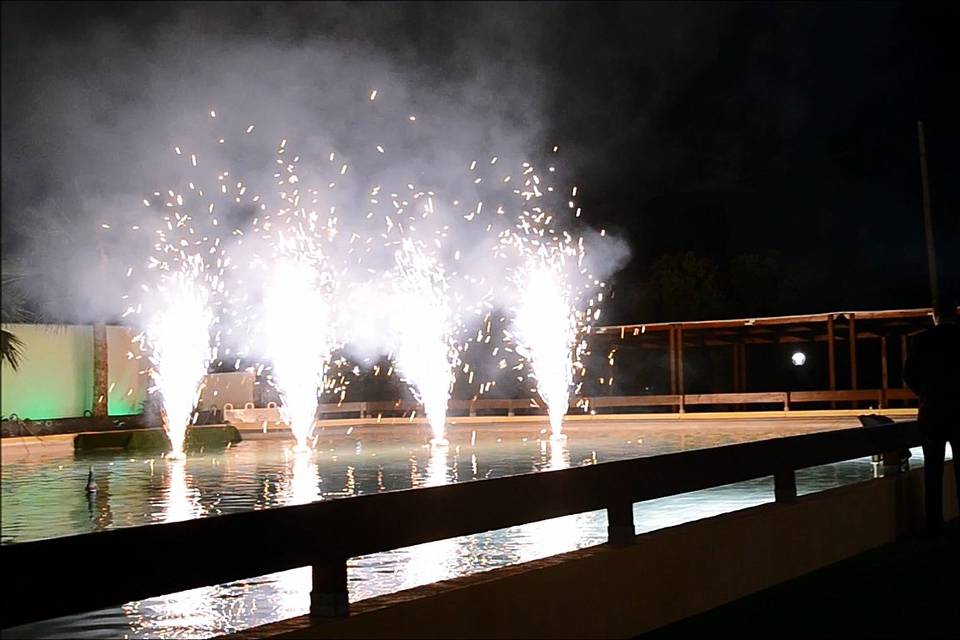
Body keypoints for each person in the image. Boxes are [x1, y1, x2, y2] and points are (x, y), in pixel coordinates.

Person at [903, 297, 960, 531]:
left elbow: (909, 375)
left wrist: (925, 394)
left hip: (932, 412)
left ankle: (934, 522)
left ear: (934, 316)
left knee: (932, 470)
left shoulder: (922, 341)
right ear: (956, 314)